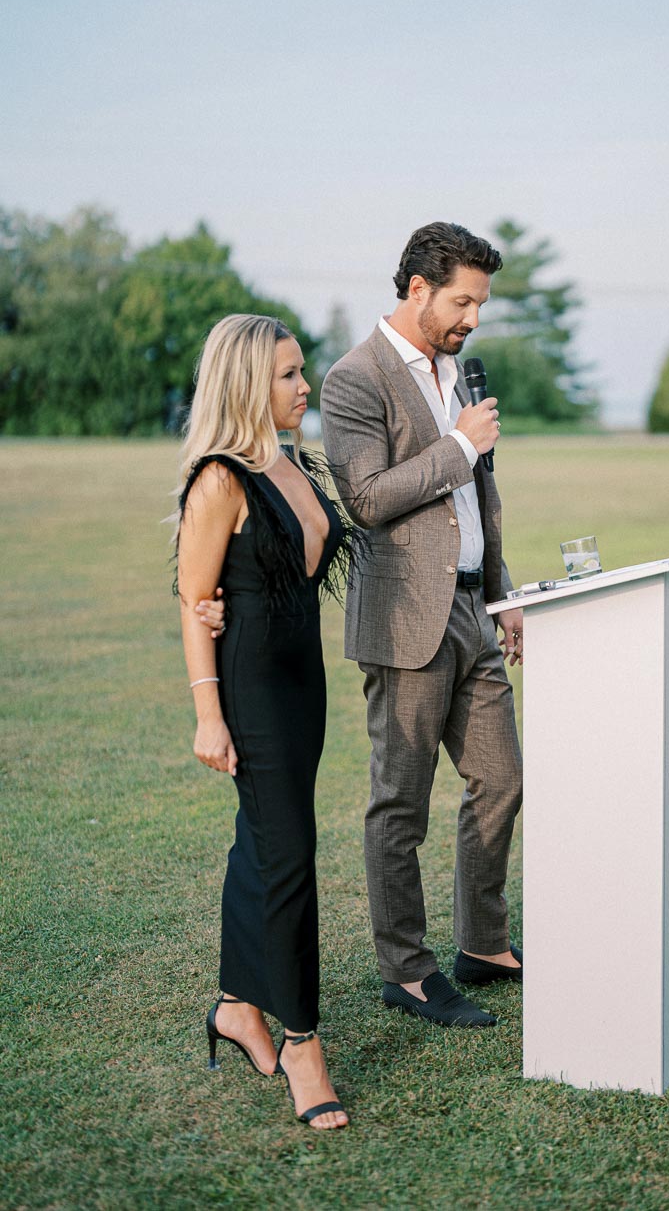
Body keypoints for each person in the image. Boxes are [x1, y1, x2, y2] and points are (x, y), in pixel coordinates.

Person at [318, 221, 524, 1028]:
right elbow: (367, 499)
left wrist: (502, 593)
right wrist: (457, 444)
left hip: (474, 607)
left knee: (502, 781)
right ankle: (405, 971)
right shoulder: (353, 379)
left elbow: (479, 498)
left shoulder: (459, 373)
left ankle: (483, 942)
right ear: (416, 290)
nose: (474, 317)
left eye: (480, 302)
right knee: (400, 804)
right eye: (463, 300)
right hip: (407, 621)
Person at [175, 312, 354, 1131]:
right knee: (290, 859)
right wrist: (210, 716)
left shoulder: (290, 465)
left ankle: (235, 1007)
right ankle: (302, 1045)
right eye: (288, 374)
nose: (303, 386)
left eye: (301, 371)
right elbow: (194, 601)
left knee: (263, 842)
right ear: (249, 382)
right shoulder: (219, 480)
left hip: (302, 686)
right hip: (251, 691)